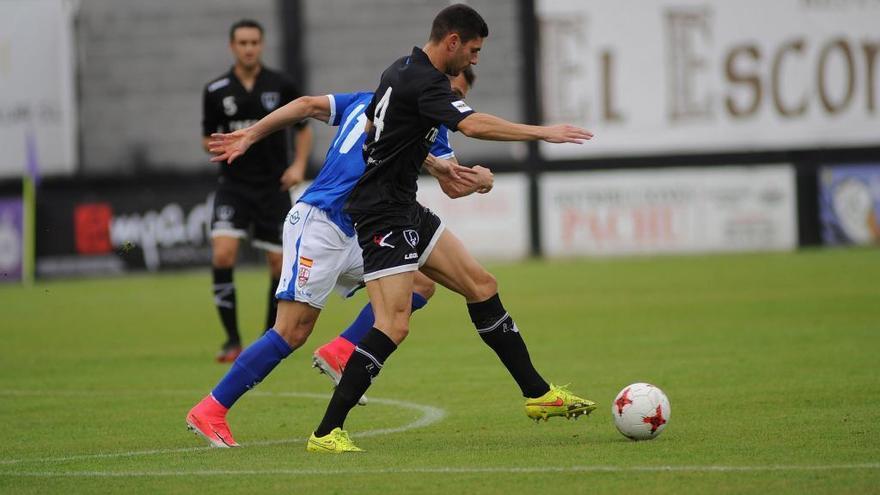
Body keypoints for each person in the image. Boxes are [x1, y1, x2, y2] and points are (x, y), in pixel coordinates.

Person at [306, 4, 596, 454]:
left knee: (482, 285)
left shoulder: (398, 69)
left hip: (403, 205)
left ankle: (538, 395)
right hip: (383, 214)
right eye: (474, 50)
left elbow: (372, 135)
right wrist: (543, 133)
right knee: (394, 324)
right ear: (452, 41)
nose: (476, 60)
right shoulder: (426, 82)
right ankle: (326, 433)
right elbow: (473, 124)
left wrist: (434, 165)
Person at [186, 70, 491, 448]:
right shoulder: (421, 120)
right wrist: (480, 180)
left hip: (358, 229)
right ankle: (211, 409)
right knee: (291, 330)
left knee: (420, 283)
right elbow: (451, 183)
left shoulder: (371, 99)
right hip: (322, 224)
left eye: (459, 97)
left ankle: (342, 351)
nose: (453, 105)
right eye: (451, 93)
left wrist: (252, 133)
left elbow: (307, 105)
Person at [202, 19, 314, 362]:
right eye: (242, 43)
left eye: (254, 42)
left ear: (261, 45)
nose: (249, 48)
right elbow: (208, 137)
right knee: (222, 254)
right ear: (232, 47)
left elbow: (304, 128)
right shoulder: (216, 90)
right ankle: (232, 340)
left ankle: (267, 341)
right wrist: (221, 146)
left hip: (272, 188)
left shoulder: (281, 85)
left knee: (279, 266)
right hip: (233, 186)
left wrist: (297, 167)